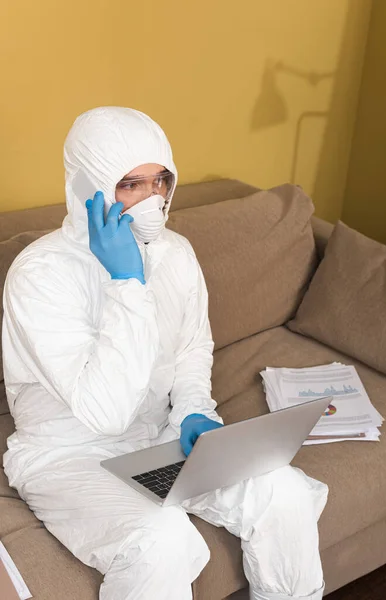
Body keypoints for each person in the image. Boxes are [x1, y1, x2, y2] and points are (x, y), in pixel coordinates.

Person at [3, 107, 328, 600]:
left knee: (283, 494)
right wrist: (125, 281)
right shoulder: (39, 275)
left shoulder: (176, 253)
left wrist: (195, 409)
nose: (152, 200)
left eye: (161, 182)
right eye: (130, 184)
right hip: (67, 455)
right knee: (164, 541)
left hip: (157, 438)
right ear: (86, 185)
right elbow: (105, 413)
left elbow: (192, 347)